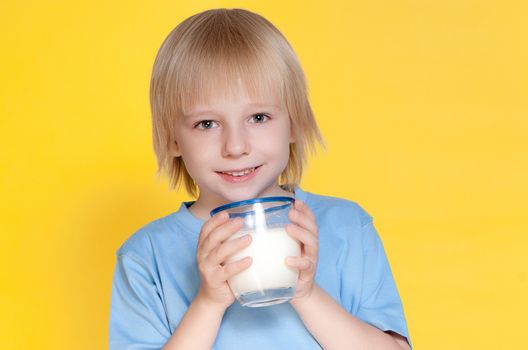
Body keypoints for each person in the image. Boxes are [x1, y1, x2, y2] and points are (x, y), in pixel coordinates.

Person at [109, 8, 411, 350]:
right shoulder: (145, 256)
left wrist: (307, 293)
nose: (236, 146)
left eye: (258, 116)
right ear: (173, 138)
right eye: (207, 124)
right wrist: (208, 304)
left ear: (295, 122)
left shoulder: (347, 227)